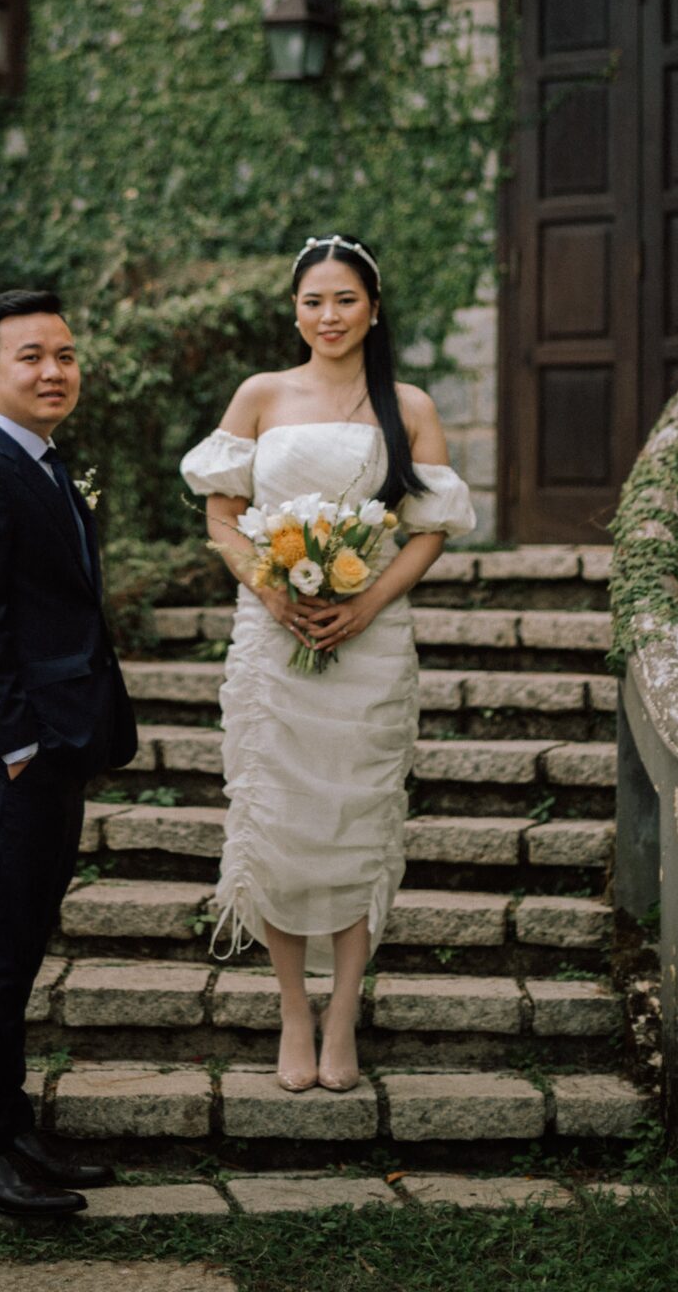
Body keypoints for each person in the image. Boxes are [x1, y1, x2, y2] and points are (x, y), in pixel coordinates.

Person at [180, 236, 475, 1094]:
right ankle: (292, 1013)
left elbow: (427, 529)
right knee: (279, 817)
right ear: (295, 309)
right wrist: (273, 595)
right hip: (271, 631)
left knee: (354, 818)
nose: (328, 316)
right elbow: (223, 520)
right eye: (313, 301)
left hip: (370, 634)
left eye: (345, 300)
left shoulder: (408, 405)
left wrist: (365, 602)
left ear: (372, 310)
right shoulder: (260, 394)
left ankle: (342, 1009)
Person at [0, 287, 138, 1216]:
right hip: (11, 753)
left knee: (19, 949)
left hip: (56, 746)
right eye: (31, 357)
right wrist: (16, 745)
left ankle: (10, 1131)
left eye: (65, 354)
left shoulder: (48, 466)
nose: (54, 371)